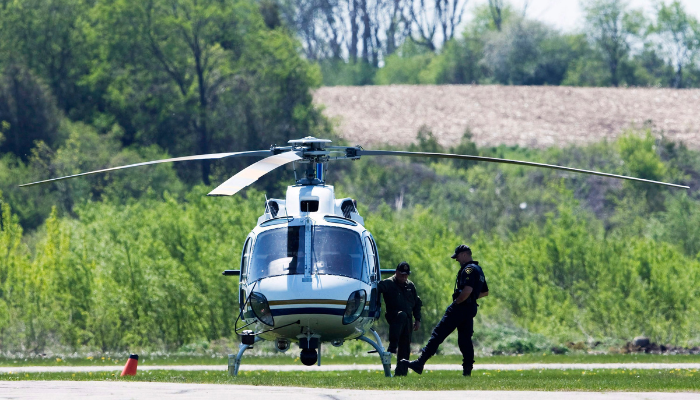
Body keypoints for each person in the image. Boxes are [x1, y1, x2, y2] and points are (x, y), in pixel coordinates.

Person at [398, 244, 489, 376]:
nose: (457, 260)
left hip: (461, 307)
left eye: (457, 257)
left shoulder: (468, 269)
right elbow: (484, 292)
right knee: (465, 340)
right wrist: (471, 298)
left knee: (438, 333)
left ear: (464, 254)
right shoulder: (478, 269)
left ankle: (420, 362)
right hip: (470, 308)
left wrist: (458, 302)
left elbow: (467, 290)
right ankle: (467, 371)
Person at [377, 261, 422, 376]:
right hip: (394, 316)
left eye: (406, 275)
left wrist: (417, 320)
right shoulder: (388, 283)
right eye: (401, 274)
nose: (404, 277)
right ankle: (393, 346)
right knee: (401, 315)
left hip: (407, 319)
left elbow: (417, 303)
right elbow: (376, 288)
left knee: (405, 347)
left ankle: (401, 374)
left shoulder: (410, 286)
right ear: (396, 272)